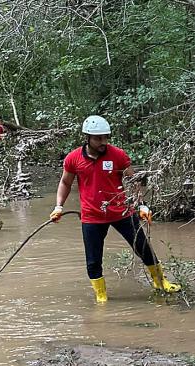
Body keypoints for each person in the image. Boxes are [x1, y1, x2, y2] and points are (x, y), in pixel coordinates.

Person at [49, 115, 180, 303]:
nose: (103, 142)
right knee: (93, 260)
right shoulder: (73, 158)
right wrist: (58, 206)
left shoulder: (117, 155)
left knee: (143, 247)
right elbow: (65, 183)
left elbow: (133, 183)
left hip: (121, 212)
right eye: (98, 138)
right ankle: (101, 296)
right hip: (92, 216)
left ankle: (161, 282)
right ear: (87, 137)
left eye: (106, 137)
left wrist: (141, 205)